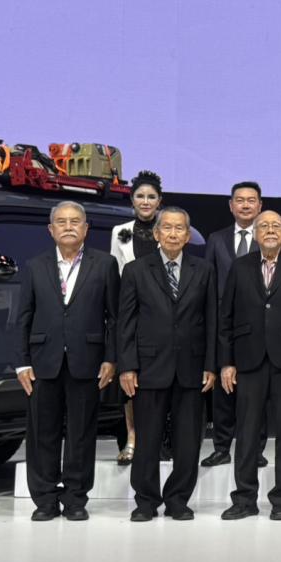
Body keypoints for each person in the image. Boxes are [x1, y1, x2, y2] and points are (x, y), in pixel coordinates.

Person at [13, 201, 119, 521]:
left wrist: (111, 358)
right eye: (62, 221)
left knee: (81, 434)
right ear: (51, 229)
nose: (69, 226)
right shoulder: (35, 265)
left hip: (88, 360)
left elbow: (114, 318)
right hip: (42, 362)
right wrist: (22, 362)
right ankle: (45, 499)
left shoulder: (105, 264)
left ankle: (75, 499)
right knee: (41, 434)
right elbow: (23, 317)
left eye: (75, 221)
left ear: (86, 228)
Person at [117, 207, 216, 521]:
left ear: (188, 235)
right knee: (147, 439)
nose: (173, 234)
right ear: (157, 233)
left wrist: (211, 365)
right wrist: (127, 366)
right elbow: (125, 322)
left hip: (192, 367)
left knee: (188, 441)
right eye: (167, 228)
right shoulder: (135, 270)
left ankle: (178, 500)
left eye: (179, 228)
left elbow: (211, 320)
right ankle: (145, 501)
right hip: (148, 366)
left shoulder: (204, 270)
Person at [218, 211, 281, 521]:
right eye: (264, 226)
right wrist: (226, 362)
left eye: (276, 226)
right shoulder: (240, 266)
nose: (270, 230)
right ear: (255, 233)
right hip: (248, 360)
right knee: (247, 432)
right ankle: (244, 499)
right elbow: (226, 318)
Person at [201, 182, 266, 469]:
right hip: (223, 324)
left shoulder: (268, 237)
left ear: (260, 205)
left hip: (258, 324)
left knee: (256, 392)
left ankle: (255, 449)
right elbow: (208, 281)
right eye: (240, 200)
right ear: (231, 205)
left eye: (251, 200)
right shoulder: (216, 239)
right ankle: (221, 447)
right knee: (223, 390)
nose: (246, 205)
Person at [109, 170, 164, 465]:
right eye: (140, 196)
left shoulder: (169, 228)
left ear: (159, 201)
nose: (145, 201)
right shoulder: (120, 231)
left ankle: (160, 439)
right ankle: (131, 437)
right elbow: (114, 272)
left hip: (163, 311)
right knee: (130, 376)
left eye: (151, 196)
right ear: (132, 200)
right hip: (131, 311)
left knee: (161, 378)